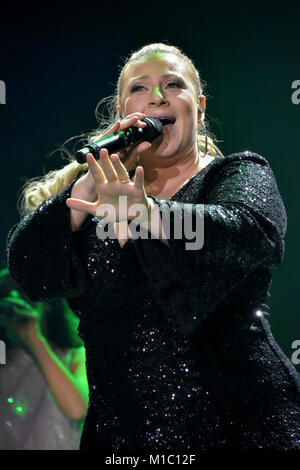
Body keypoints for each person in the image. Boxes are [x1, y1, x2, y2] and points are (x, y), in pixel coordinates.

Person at [6, 42, 300, 451]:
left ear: (198, 109)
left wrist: (146, 213)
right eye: (140, 88)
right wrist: (89, 179)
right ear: (122, 113)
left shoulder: (235, 174)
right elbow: (29, 268)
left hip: (242, 425)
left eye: (173, 84)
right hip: (122, 435)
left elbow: (248, 231)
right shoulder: (93, 199)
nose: (157, 96)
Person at [0, 267, 88, 450]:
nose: (17, 303)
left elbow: (77, 409)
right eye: (7, 295)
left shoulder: (77, 356)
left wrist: (33, 338)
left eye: (25, 294)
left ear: (47, 303)